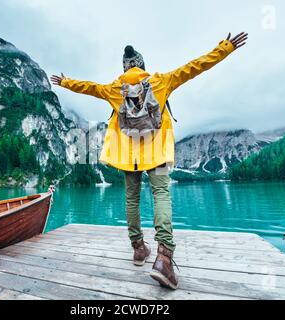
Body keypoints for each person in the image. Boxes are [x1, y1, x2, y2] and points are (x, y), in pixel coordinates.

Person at [51, 32, 248, 290]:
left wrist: (65, 82)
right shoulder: (161, 81)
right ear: (142, 65)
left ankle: (138, 249)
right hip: (157, 151)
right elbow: (195, 67)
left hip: (128, 156)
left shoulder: (114, 88)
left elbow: (87, 87)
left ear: (125, 68)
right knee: (161, 195)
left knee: (131, 198)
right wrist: (224, 48)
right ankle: (164, 258)